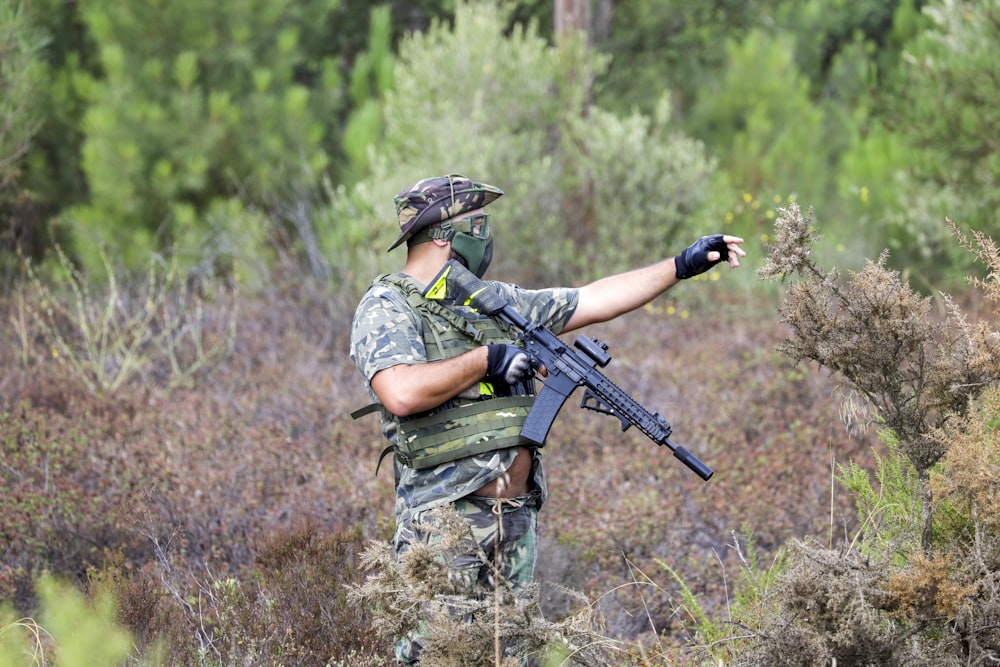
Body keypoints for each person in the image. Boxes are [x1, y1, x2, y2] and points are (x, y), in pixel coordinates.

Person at [350, 173, 745, 664]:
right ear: (442, 234)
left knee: (514, 655)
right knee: (434, 654)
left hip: (514, 519)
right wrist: (485, 360)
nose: (486, 233)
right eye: (477, 222)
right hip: (443, 521)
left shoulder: (493, 301)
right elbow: (401, 392)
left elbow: (592, 299)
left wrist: (681, 265)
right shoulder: (388, 305)